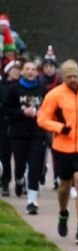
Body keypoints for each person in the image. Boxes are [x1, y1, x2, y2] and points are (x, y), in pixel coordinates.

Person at [37, 58, 78, 244]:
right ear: (63, 77)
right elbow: (42, 119)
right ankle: (63, 212)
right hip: (62, 146)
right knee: (64, 185)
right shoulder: (54, 95)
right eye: (69, 76)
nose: (73, 79)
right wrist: (60, 128)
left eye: (76, 76)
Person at [3, 58, 46, 214]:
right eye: (27, 69)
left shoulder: (42, 90)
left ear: (36, 72)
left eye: (33, 69)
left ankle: (32, 201)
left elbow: (49, 108)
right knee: (20, 163)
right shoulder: (14, 89)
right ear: (22, 72)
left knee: (35, 165)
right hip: (18, 133)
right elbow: (6, 110)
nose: (30, 72)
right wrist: (22, 112)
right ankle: (19, 179)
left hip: (37, 133)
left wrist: (42, 113)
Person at [0, 59, 16, 197]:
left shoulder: (23, 86)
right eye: (13, 69)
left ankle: (20, 180)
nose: (16, 72)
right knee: (5, 155)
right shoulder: (2, 86)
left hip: (20, 125)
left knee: (21, 156)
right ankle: (5, 181)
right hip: (4, 124)